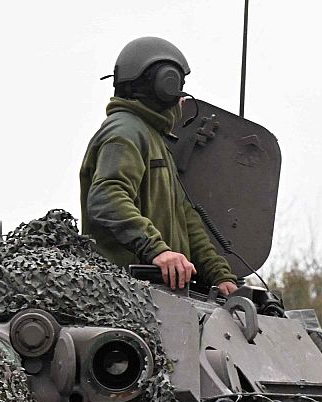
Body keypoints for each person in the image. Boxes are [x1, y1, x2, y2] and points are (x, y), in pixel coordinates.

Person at [79, 37, 238, 294]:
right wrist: (158, 250)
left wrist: (219, 275)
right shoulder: (125, 132)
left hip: (158, 294)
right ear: (165, 85)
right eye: (179, 86)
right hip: (124, 293)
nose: (182, 97)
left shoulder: (153, 138)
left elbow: (186, 218)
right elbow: (107, 198)